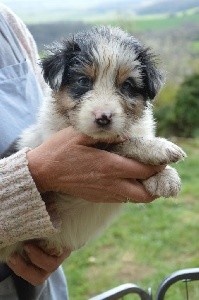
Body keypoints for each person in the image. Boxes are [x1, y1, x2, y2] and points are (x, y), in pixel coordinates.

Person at [0, 3, 164, 300]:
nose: (102, 111)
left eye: (126, 85)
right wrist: (35, 175)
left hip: (40, 285)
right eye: (83, 82)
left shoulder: (8, 26)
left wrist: (60, 237)